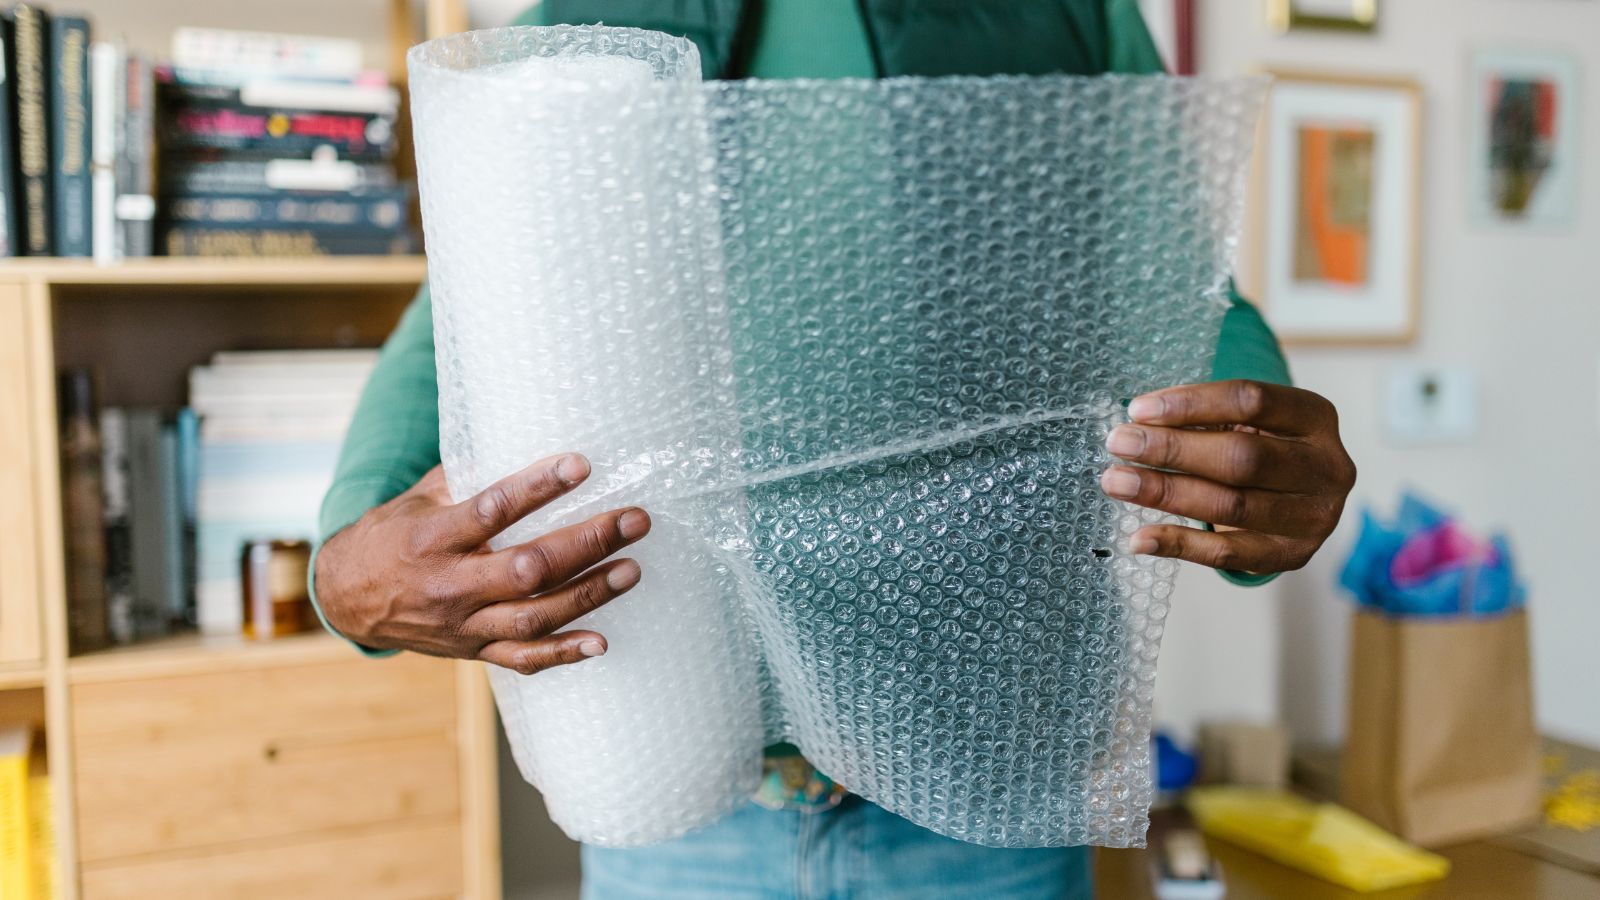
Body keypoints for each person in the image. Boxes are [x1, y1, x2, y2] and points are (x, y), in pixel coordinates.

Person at [312, 1, 1357, 897]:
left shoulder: (1062, 10)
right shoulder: (587, 30)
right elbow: (470, 308)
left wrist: (1261, 446)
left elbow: (1177, 280)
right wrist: (345, 560)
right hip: (678, 797)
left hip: (990, 784)